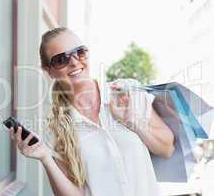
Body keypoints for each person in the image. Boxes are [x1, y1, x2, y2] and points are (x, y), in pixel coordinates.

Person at [11, 27, 175, 196]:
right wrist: (46, 158)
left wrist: (134, 124)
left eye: (79, 52)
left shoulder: (126, 92)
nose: (74, 62)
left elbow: (167, 148)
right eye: (61, 59)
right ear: (49, 70)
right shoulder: (54, 129)